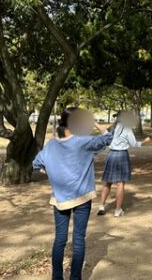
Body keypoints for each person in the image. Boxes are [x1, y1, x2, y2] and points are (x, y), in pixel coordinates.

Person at [32, 107, 113, 280]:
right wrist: (95, 124)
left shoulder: (52, 144)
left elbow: (36, 164)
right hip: (82, 197)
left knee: (60, 240)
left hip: (59, 199)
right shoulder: (83, 142)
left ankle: (57, 277)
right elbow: (108, 138)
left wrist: (53, 173)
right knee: (78, 239)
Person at [98, 110, 150, 217]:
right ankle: (117, 210)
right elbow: (134, 144)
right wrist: (145, 141)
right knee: (120, 183)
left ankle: (101, 206)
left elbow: (104, 135)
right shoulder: (127, 129)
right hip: (121, 155)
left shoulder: (112, 128)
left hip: (111, 154)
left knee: (107, 182)